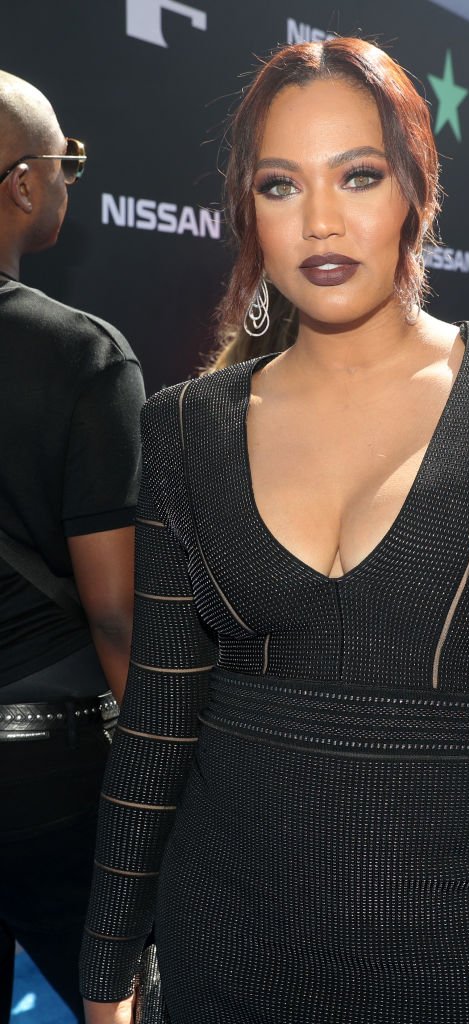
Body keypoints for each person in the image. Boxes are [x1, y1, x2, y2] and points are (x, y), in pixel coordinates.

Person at [80, 38, 469, 1024]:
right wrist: (104, 976)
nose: (318, 219)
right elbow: (157, 726)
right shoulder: (185, 425)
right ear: (248, 214)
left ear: (414, 190)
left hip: (463, 972)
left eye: (357, 174)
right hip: (223, 961)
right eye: (278, 184)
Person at [0, 72, 145, 1023]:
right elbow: (117, 613)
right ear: (20, 183)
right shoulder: (79, 355)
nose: (70, 180)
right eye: (67, 162)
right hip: (50, 779)